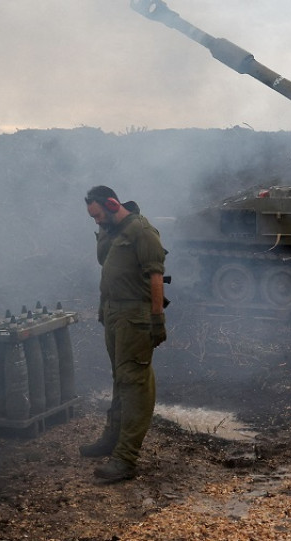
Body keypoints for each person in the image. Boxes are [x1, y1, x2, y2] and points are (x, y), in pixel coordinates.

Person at [80, 185, 167, 483]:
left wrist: (157, 320)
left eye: (99, 215)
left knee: (134, 384)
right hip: (116, 315)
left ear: (113, 204)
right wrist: (105, 309)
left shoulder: (142, 232)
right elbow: (106, 264)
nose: (96, 221)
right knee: (120, 378)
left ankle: (126, 458)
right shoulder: (113, 231)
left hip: (135, 318)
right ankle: (112, 438)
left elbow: (156, 278)